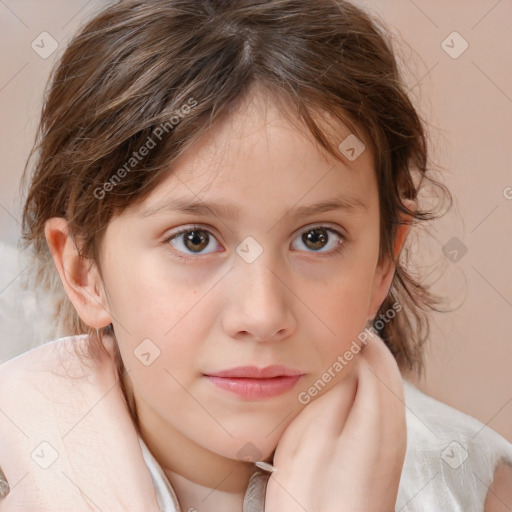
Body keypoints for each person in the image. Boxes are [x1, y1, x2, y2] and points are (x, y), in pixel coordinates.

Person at [0, 0, 510, 510]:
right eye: (194, 240)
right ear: (84, 271)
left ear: (383, 261)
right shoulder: (18, 469)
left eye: (316, 238)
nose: (263, 315)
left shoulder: (474, 488)